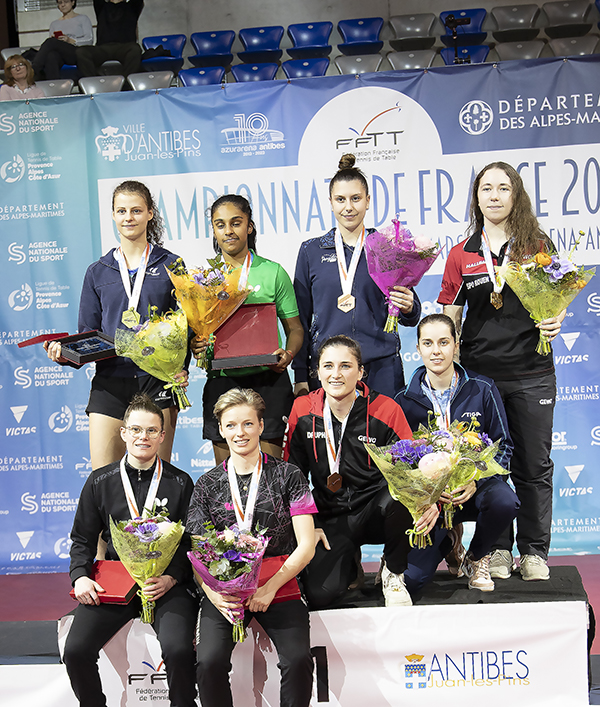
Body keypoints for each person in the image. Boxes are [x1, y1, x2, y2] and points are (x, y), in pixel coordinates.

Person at [439, 162, 564, 582]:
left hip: (532, 372)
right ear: (476, 198)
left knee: (533, 465)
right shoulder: (462, 253)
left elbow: (557, 295)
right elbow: (449, 319)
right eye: (486, 188)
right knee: (490, 468)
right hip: (481, 381)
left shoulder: (536, 245)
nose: (494, 195)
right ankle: (495, 550)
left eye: (503, 188)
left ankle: (533, 552)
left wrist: (556, 318)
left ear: (516, 195)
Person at [186, 388, 317, 707]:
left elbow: (307, 543)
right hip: (223, 592)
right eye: (231, 425)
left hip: (278, 584)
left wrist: (269, 588)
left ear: (262, 425)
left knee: (297, 660)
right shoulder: (207, 484)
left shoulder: (288, 475)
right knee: (207, 662)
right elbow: (198, 552)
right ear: (220, 431)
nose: (240, 432)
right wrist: (215, 595)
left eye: (248, 423)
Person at [64, 394, 198, 707]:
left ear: (162, 436)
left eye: (152, 431)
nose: (143, 436)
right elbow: (82, 540)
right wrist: (80, 576)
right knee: (75, 649)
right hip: (117, 584)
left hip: (165, 585)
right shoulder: (101, 481)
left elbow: (190, 542)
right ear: (123, 433)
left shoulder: (179, 482)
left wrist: (172, 576)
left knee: (176, 647)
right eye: (136, 429)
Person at [284, 335, 438, 609]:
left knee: (397, 497)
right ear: (317, 371)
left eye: (345, 366)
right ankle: (349, 562)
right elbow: (293, 477)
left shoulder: (386, 409)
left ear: (361, 372)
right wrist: (309, 525)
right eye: (328, 366)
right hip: (330, 515)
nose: (336, 374)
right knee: (320, 595)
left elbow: (414, 471)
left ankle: (393, 571)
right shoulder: (303, 409)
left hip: (376, 510)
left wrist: (430, 501)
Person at [45, 180, 186, 470]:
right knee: (103, 480)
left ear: (150, 214)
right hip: (109, 382)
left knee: (156, 479)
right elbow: (87, 335)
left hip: (156, 382)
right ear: (112, 215)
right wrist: (65, 355)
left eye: (136, 210)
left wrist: (182, 366)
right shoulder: (97, 272)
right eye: (121, 211)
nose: (128, 217)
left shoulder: (172, 264)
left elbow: (187, 326)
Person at [396, 314, 520, 594]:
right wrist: (426, 492)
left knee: (505, 501)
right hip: (433, 502)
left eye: (443, 342)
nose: (436, 350)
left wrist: (476, 479)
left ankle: (477, 557)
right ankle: (451, 544)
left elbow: (504, 445)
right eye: (428, 343)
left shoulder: (483, 388)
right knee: (413, 581)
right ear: (417, 349)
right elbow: (398, 462)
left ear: (456, 345)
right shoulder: (402, 399)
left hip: (475, 489)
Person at [292, 153, 421, 400]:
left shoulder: (387, 247)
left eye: (355, 198)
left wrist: (408, 307)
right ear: (330, 202)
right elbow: (300, 318)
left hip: (381, 365)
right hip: (330, 369)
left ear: (368, 201)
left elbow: (411, 314)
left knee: (386, 439)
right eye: (340, 199)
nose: (348, 207)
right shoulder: (311, 251)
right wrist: (300, 375)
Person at [193, 194, 303, 464]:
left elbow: (296, 329)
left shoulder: (273, 272)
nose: (228, 231)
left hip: (269, 382)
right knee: (227, 480)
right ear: (214, 230)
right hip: (223, 382)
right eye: (220, 225)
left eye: (236, 222)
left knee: (270, 479)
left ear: (249, 227)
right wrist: (197, 347)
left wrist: (287, 354)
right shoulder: (203, 278)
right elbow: (197, 335)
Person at [76, 0, 143, 79]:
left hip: (125, 47)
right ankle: (95, 82)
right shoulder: (102, 7)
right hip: (102, 48)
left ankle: (126, 83)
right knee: (81, 52)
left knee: (135, 49)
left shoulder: (132, 6)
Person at [32, 0, 93, 81]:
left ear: (73, 2)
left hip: (77, 52)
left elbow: (89, 40)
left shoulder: (82, 18)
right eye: (60, 3)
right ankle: (54, 86)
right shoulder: (54, 23)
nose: (63, 5)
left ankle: (33, 70)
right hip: (62, 54)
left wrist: (71, 40)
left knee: (51, 42)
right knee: (51, 55)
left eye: (66, 2)